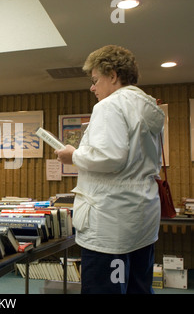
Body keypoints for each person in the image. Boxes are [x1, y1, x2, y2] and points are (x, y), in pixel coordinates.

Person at [55, 45, 165, 294]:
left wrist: (73, 155)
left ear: (113, 75)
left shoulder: (109, 106)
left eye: (95, 80)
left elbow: (109, 158)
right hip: (142, 216)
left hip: (110, 222)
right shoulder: (145, 108)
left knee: (105, 289)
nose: (92, 88)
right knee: (138, 286)